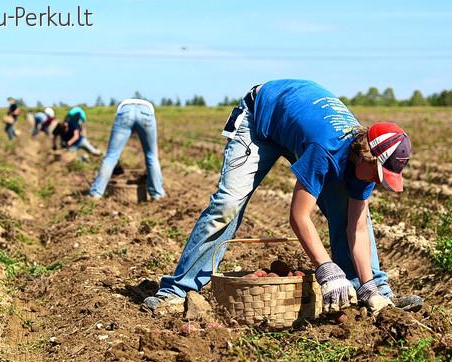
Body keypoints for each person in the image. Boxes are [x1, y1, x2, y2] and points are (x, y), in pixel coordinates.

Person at [142, 79, 422, 316]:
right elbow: (299, 216)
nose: (376, 181)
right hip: (260, 117)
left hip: (298, 122)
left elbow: (357, 228)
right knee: (228, 203)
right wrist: (326, 268)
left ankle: (372, 290)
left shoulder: (367, 164)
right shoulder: (325, 149)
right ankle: (177, 291)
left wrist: (368, 283)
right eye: (376, 173)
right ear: (364, 154)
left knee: (349, 212)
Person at [88, 98, 166, 200]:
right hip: (146, 111)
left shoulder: (122, 107)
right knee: (152, 156)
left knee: (111, 156)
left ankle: (96, 193)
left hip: (125, 111)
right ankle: (157, 194)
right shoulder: (147, 106)